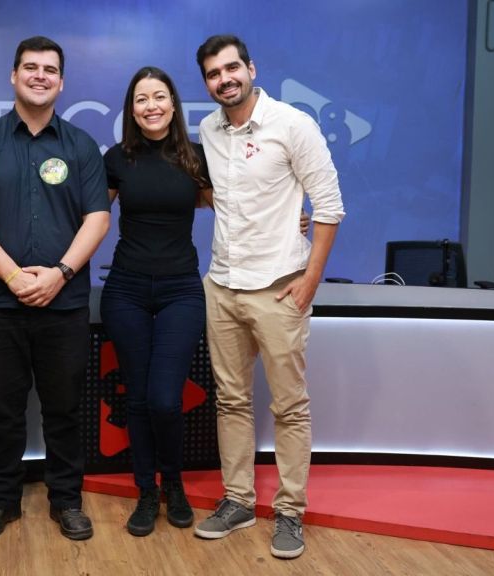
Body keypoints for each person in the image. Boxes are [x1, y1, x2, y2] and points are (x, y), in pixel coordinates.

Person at [191, 34, 345, 560]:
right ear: (207, 83)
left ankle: (290, 512)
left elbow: (328, 206)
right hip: (222, 285)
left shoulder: (293, 125)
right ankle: (237, 500)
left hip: (280, 287)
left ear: (252, 69)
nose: (224, 79)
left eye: (232, 68)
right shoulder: (209, 129)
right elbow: (222, 194)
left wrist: (309, 282)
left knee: (290, 407)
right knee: (232, 400)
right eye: (213, 73)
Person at [0, 36, 110, 542]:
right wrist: (14, 275)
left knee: (64, 409)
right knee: (3, 408)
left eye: (50, 69)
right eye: (30, 67)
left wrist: (60, 273)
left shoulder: (82, 146)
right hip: (0, 303)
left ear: (62, 82)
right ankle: (3, 501)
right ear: (13, 77)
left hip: (63, 304)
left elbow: (98, 217)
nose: (39, 76)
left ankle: (66, 501)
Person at [99, 66, 209, 537]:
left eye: (159, 96)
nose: (151, 106)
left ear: (173, 104)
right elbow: (89, 217)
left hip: (181, 289)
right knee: (141, 399)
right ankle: (147, 492)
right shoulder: (117, 158)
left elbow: (239, 205)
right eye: (141, 99)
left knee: (166, 399)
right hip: (125, 289)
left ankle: (175, 484)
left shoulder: (196, 157)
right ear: (131, 109)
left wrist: (293, 222)